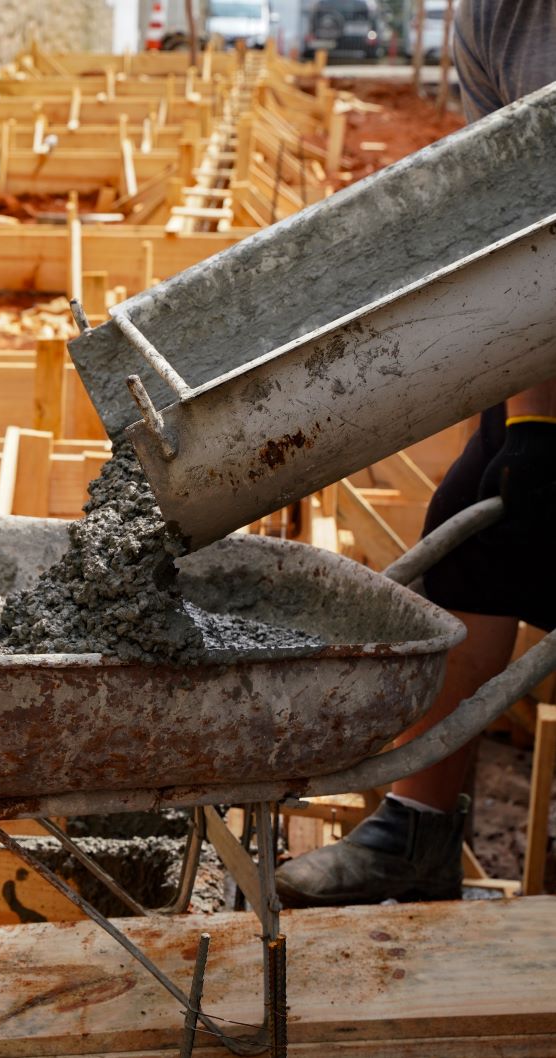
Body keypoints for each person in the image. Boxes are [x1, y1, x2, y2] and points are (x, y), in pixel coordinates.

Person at [276, 2, 556, 907]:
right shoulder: (500, 18)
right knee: (470, 527)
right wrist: (532, 426)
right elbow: (517, 224)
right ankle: (416, 831)